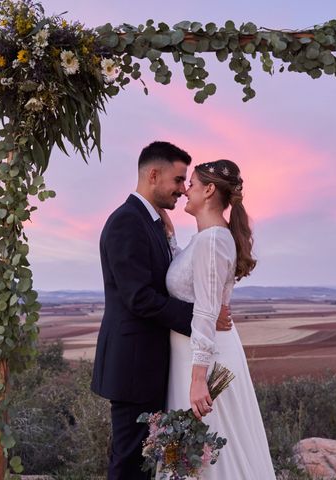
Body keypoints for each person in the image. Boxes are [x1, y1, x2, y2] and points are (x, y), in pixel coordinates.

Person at [90, 142, 232, 480]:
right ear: (153, 175)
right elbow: (138, 297)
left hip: (151, 365)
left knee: (146, 460)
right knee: (129, 462)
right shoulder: (127, 222)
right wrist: (198, 319)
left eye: (187, 183)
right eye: (179, 180)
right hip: (133, 366)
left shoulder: (153, 223)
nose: (183, 190)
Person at [160, 159, 276, 479]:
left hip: (203, 363)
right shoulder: (206, 238)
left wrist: (198, 379)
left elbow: (207, 312)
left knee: (211, 454)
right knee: (195, 454)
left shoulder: (212, 241)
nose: (185, 190)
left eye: (192, 185)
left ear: (209, 190)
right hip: (196, 356)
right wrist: (170, 238)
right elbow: (188, 282)